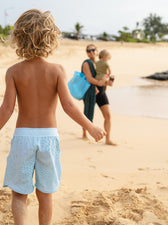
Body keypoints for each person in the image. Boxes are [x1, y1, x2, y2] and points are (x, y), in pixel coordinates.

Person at [0, 9, 105, 225]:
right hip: (49, 137)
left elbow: (6, 109)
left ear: (19, 37)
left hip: (23, 138)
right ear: (50, 39)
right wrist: (91, 126)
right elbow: (68, 106)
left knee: (19, 193)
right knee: (45, 192)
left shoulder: (13, 72)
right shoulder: (57, 70)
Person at [82, 44, 116, 145]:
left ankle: (108, 139)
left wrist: (108, 82)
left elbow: (105, 77)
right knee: (87, 115)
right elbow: (89, 79)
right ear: (87, 53)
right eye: (89, 51)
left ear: (97, 51)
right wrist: (98, 83)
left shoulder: (100, 64)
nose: (91, 52)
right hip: (91, 92)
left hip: (101, 92)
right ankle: (84, 134)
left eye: (93, 50)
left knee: (108, 115)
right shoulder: (86, 64)